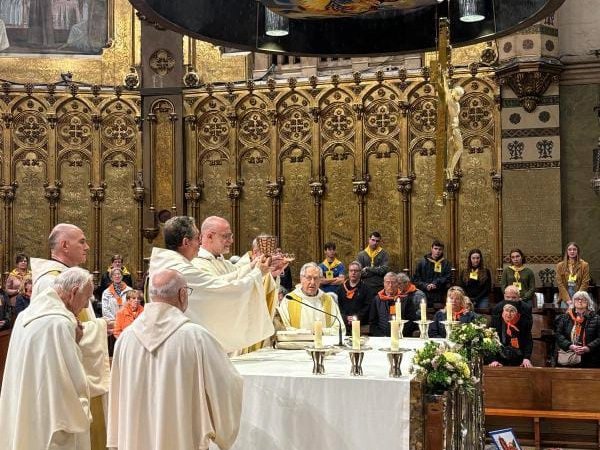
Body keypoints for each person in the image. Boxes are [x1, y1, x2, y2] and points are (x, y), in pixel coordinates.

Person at [108, 269, 243, 450]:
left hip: (134, 440)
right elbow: (227, 385)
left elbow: (116, 398)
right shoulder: (196, 338)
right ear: (182, 294)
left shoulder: (126, 339)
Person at [30, 223, 110, 449]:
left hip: (80, 364)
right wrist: (103, 327)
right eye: (82, 241)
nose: (88, 246)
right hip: (67, 371)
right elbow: (63, 332)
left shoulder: (69, 276)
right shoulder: (51, 280)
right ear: (64, 245)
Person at [148, 216, 276, 352]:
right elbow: (220, 288)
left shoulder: (167, 263)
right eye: (198, 238)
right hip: (177, 342)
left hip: (173, 337)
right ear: (186, 242)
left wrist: (253, 267)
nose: (200, 243)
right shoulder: (179, 270)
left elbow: (220, 281)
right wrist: (257, 273)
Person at [0, 267, 96, 450]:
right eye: (86, 298)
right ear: (73, 293)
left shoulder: (24, 316)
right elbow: (73, 384)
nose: (85, 306)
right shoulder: (60, 324)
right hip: (50, 418)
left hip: (24, 405)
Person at [278, 262, 345, 336]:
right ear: (301, 279)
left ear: (320, 280)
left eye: (316, 278)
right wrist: (306, 333)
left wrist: (321, 332)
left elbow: (339, 328)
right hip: (298, 346)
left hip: (324, 346)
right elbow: (283, 328)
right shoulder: (289, 300)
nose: (312, 282)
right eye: (309, 278)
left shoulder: (328, 300)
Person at [555, 291, 600, 368]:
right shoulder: (566, 317)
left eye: (583, 299)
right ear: (573, 302)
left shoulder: (596, 318)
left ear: (588, 302)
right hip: (569, 359)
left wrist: (588, 348)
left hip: (590, 360)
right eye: (577, 299)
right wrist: (570, 346)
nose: (580, 301)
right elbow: (558, 335)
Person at [488, 303, 534, 368]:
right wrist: (493, 360)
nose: (509, 314)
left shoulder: (523, 323)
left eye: (512, 311)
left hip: (518, 360)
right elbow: (490, 342)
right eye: (506, 310)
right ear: (503, 312)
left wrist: (526, 358)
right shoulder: (495, 322)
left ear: (517, 313)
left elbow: (528, 342)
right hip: (499, 360)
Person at [413, 240, 452, 308]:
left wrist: (436, 283)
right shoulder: (422, 262)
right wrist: (426, 285)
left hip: (440, 295)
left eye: (440, 249)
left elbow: (448, 278)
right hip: (424, 294)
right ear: (431, 249)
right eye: (435, 248)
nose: (437, 251)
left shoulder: (446, 263)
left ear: (442, 250)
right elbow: (415, 279)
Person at [336, 261, 372, 333]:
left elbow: (367, 307)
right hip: (343, 322)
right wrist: (345, 318)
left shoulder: (366, 289)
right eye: (351, 270)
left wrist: (357, 317)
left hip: (360, 323)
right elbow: (337, 306)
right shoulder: (340, 288)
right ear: (348, 272)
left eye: (356, 271)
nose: (353, 273)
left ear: (360, 273)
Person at [556, 242, 590, 309]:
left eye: (574, 249)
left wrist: (577, 298)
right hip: (565, 293)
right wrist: (568, 300)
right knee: (566, 316)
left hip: (579, 293)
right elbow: (560, 284)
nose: (572, 251)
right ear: (567, 252)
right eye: (570, 249)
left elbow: (585, 282)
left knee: (579, 317)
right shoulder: (560, 265)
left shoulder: (584, 265)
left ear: (577, 251)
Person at [396, 272, 426, 337]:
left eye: (399, 284)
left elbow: (420, 312)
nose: (397, 286)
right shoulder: (397, 294)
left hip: (413, 324)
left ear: (407, 283)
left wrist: (407, 317)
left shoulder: (418, 294)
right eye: (397, 283)